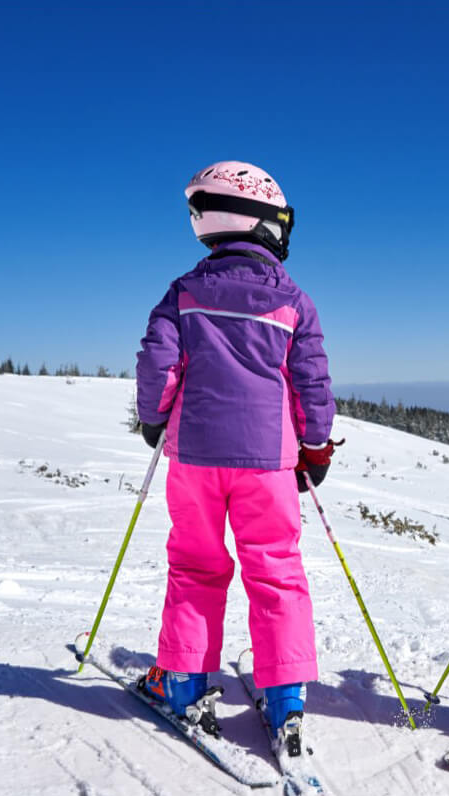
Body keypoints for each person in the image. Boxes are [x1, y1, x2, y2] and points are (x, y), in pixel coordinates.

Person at [134, 160, 337, 757]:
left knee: (196, 566)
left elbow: (157, 363)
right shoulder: (295, 301)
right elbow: (311, 380)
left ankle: (183, 682)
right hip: (267, 464)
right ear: (262, 224)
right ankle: (286, 698)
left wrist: (155, 417)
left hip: (195, 456)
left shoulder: (185, 293)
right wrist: (315, 446)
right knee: (275, 570)